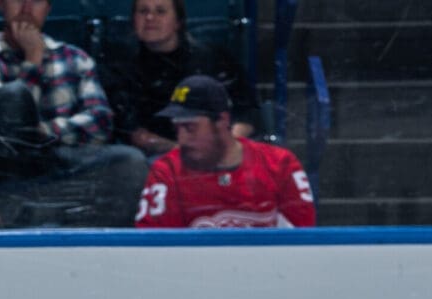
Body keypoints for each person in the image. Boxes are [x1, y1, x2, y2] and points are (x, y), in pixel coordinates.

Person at [0, 0, 148, 227]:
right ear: (1, 4)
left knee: (129, 160)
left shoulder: (76, 58)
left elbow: (99, 122)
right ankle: (7, 223)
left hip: (64, 163)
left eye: (36, 1)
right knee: (14, 95)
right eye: (18, 0)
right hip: (8, 171)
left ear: (48, 9)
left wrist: (41, 133)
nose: (27, 9)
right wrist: (33, 60)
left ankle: (94, 246)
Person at [134, 75, 315, 228]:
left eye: (190, 128)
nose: (181, 139)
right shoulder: (167, 172)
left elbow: (305, 240)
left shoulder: (280, 164)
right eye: (178, 128)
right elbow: (154, 248)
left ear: (222, 120)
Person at [98, 0, 260, 158]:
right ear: (133, 21)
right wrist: (187, 153)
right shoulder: (119, 68)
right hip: (159, 155)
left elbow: (246, 113)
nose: (149, 18)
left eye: (160, 11)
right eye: (143, 11)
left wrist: (225, 145)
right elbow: (136, 134)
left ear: (178, 22)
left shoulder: (214, 58)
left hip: (222, 148)